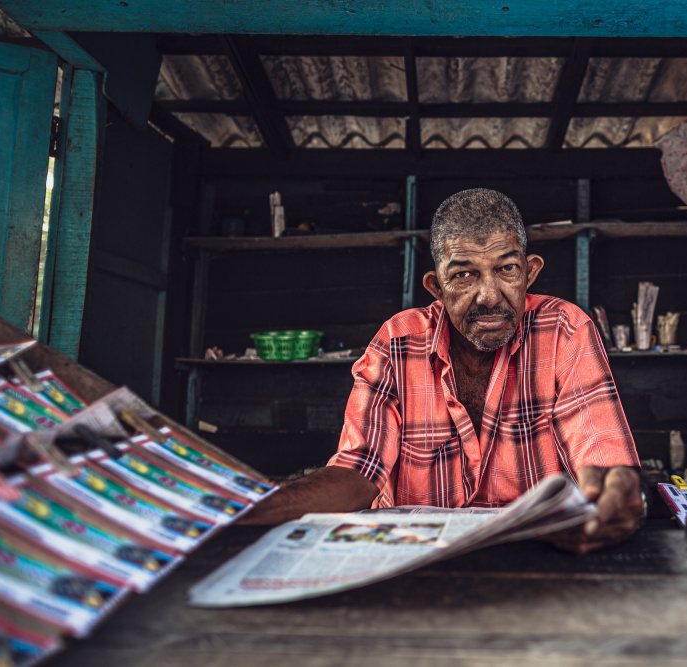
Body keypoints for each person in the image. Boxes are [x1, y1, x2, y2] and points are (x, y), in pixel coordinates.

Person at [246, 189, 644, 552]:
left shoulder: (565, 330)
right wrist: (246, 512)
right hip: (413, 561)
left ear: (530, 272)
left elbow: (602, 456)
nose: (489, 297)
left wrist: (614, 489)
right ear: (437, 287)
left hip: (538, 559)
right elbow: (357, 472)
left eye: (506, 269)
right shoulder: (398, 342)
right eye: (464, 275)